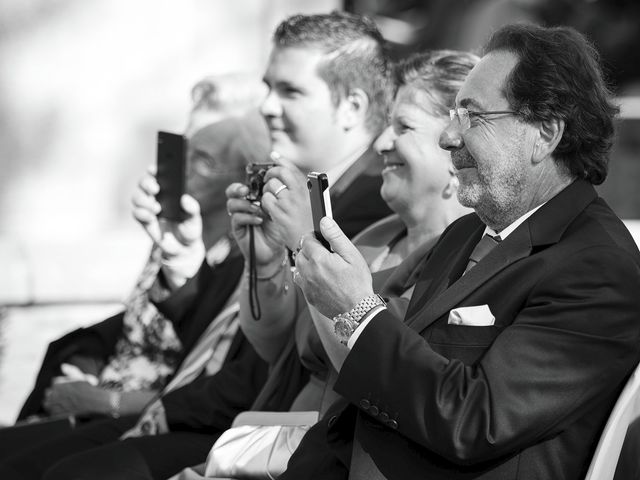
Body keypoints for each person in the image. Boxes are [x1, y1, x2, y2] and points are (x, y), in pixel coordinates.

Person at [0, 10, 395, 480]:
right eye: (269, 87)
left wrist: (146, 406)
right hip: (235, 419)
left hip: (290, 438)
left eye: (290, 91)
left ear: (351, 106)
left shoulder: (375, 203)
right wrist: (193, 258)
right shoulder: (298, 185)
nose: (268, 106)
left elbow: (301, 363)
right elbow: (261, 343)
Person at [284, 23, 640, 480]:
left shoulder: (599, 270)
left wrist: (358, 311)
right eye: (453, 114)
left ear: (545, 133)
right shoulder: (468, 233)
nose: (448, 137)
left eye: (473, 116)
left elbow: (476, 421)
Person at [174, 49, 477, 479]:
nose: (382, 144)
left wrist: (304, 244)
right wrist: (262, 264)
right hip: (271, 446)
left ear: (453, 145)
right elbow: (279, 349)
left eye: (403, 127)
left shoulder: (467, 258)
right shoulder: (373, 236)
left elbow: (380, 370)